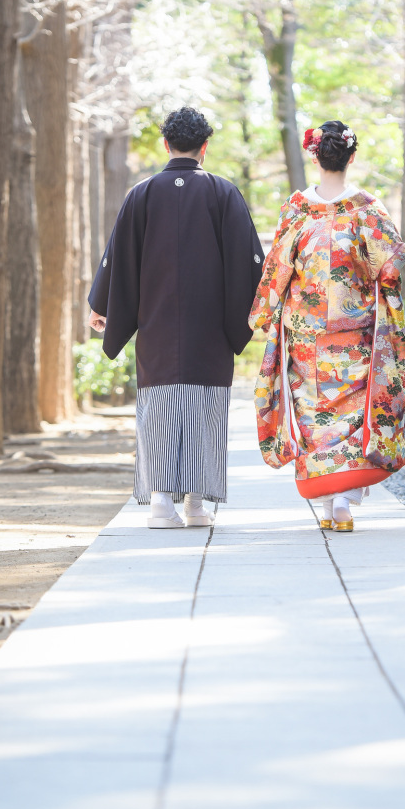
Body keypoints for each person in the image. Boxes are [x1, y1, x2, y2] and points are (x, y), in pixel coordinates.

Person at [88, 106, 264, 529]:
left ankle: (160, 504)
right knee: (204, 408)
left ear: (167, 145)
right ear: (205, 148)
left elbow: (119, 258)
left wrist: (103, 307)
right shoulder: (224, 193)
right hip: (209, 327)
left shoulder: (142, 194)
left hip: (157, 323)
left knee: (160, 407)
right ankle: (197, 506)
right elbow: (249, 261)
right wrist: (258, 312)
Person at [249, 120, 405, 532]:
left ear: (314, 155)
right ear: (351, 157)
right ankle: (344, 500)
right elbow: (391, 265)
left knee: (313, 414)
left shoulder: (297, 209)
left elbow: (277, 268)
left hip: (305, 335)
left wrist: (262, 314)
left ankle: (326, 503)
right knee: (354, 414)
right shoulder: (367, 208)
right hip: (354, 330)